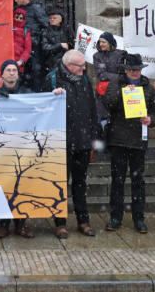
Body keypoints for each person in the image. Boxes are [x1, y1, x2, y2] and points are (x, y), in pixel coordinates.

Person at [101, 52, 155, 234]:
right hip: (118, 139)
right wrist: (124, 91)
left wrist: (151, 120)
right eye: (131, 70)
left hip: (138, 140)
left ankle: (138, 218)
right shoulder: (115, 83)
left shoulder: (148, 88)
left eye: (138, 70)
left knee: (138, 181)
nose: (135, 73)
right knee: (117, 181)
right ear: (125, 69)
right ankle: (115, 217)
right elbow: (107, 103)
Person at [46, 50, 100, 238]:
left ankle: (83, 221)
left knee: (80, 183)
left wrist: (93, 137)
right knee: (60, 184)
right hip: (61, 143)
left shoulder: (85, 80)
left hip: (83, 142)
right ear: (69, 66)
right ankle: (60, 223)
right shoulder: (52, 79)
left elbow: (93, 110)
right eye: (81, 65)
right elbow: (42, 109)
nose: (85, 68)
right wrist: (51, 96)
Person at [0, 60, 35, 239]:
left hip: (23, 148)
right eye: (8, 70)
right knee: (3, 185)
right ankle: (2, 225)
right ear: (2, 75)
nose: (11, 73)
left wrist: (56, 95)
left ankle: (21, 224)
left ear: (18, 74)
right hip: (3, 149)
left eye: (14, 70)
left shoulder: (28, 94)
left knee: (22, 186)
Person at [93, 32, 125, 124]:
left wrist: (113, 77)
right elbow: (101, 74)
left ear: (110, 43)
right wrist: (118, 77)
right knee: (102, 119)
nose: (101, 44)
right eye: (100, 42)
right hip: (103, 92)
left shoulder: (120, 54)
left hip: (117, 90)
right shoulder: (97, 56)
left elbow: (123, 72)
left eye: (104, 42)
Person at [38, 8, 73, 90]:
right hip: (52, 63)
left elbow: (71, 44)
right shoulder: (46, 32)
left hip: (67, 62)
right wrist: (59, 45)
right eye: (50, 18)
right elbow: (45, 48)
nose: (52, 20)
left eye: (54, 18)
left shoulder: (67, 30)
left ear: (60, 19)